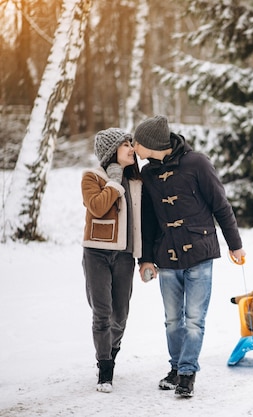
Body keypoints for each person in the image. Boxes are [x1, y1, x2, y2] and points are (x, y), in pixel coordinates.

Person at [134, 115, 246, 398]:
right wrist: (145, 259)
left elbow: (221, 205)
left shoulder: (197, 163)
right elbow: (146, 220)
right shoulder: (147, 174)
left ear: (151, 143)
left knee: (194, 318)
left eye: (138, 141)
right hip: (166, 255)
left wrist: (235, 245)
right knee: (172, 319)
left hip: (199, 251)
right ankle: (175, 368)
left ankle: (187, 373)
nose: (134, 145)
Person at [81, 128, 143, 393]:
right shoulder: (92, 177)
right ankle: (105, 368)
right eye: (126, 144)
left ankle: (111, 351)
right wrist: (114, 182)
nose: (132, 148)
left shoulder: (138, 182)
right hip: (96, 253)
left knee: (121, 314)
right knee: (102, 313)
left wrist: (146, 257)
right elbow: (97, 207)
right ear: (111, 151)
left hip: (126, 255)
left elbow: (144, 222)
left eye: (131, 143)